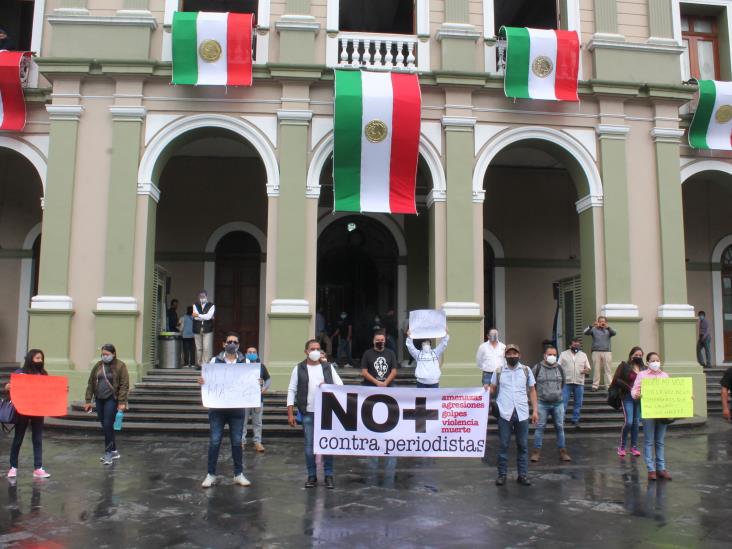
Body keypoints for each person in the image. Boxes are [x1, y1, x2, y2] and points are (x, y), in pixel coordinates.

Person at [287, 339, 343, 488]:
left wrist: (328, 386)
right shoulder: (299, 368)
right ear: (306, 351)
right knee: (309, 446)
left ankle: (329, 475)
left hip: (326, 412)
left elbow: (340, 385)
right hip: (308, 412)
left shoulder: (327, 367)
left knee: (328, 445)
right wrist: (290, 413)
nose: (315, 351)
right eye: (312, 349)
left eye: (318, 349)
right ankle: (312, 475)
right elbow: (292, 390)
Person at [198, 333, 251, 488]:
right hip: (217, 409)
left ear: (239, 345)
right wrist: (201, 381)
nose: (232, 344)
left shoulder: (245, 361)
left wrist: (257, 382)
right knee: (214, 441)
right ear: (223, 344)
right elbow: (205, 379)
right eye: (229, 341)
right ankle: (210, 474)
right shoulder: (215, 361)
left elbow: (250, 381)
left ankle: (238, 474)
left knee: (237, 442)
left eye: (235, 341)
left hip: (237, 409)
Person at [487, 344, 538, 487]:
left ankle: (522, 475)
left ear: (519, 355)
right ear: (505, 356)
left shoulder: (526, 370)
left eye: (514, 353)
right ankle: (502, 475)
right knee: (503, 445)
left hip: (522, 413)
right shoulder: (498, 371)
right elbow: (492, 389)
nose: (512, 356)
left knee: (523, 445)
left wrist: (535, 410)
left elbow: (532, 390)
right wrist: (486, 389)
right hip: (504, 413)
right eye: (509, 354)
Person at [5, 350, 51, 479]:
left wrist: (60, 390)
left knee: (37, 439)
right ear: (31, 359)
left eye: (41, 358)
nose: (40, 361)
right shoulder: (20, 373)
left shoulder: (43, 374)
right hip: (22, 410)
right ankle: (13, 467)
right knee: (18, 439)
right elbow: (12, 389)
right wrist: (8, 387)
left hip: (38, 410)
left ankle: (38, 468)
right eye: (37, 358)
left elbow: (49, 391)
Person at [84, 344, 129, 466]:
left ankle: (108, 453)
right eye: (103, 354)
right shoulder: (98, 365)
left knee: (108, 424)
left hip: (112, 398)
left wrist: (121, 402)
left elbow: (124, 385)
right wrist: (88, 400)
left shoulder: (120, 366)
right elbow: (91, 383)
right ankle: (114, 450)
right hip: (99, 398)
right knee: (105, 425)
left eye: (107, 354)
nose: (104, 356)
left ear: (113, 354)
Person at [631, 352, 672, 481]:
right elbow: (634, 389)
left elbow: (673, 392)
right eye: (653, 360)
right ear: (647, 362)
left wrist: (686, 397)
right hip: (648, 412)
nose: (655, 362)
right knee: (649, 441)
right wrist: (636, 395)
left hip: (662, 412)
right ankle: (651, 469)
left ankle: (661, 468)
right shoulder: (642, 375)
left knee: (660, 441)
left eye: (657, 360)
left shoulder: (665, 376)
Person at [530, 346, 571, 463]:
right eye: (550, 354)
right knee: (540, 428)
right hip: (542, 403)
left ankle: (563, 452)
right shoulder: (537, 368)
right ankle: (536, 452)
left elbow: (563, 383)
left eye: (554, 354)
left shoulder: (560, 368)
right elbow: (532, 385)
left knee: (560, 427)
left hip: (558, 403)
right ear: (544, 355)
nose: (552, 356)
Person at [612, 347, 645, 458]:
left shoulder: (644, 368)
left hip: (639, 398)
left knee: (636, 423)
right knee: (629, 422)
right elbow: (617, 379)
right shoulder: (624, 366)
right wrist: (630, 389)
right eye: (636, 355)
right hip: (627, 397)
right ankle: (621, 447)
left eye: (640, 355)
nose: (638, 357)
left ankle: (633, 448)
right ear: (631, 355)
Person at [242, 346, 271, 453]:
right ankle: (241, 441)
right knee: (242, 422)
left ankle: (257, 442)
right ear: (246, 353)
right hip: (243, 399)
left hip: (258, 399)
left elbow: (268, 379)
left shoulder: (261, 367)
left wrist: (264, 388)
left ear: (257, 354)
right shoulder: (241, 366)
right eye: (249, 352)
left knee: (257, 422)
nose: (252, 353)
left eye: (254, 352)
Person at [559, 338, 590, 428]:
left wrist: (585, 370)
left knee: (578, 403)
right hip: (567, 382)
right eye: (574, 345)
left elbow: (588, 368)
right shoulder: (563, 354)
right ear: (570, 346)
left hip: (579, 382)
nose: (576, 347)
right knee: (563, 402)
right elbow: (558, 366)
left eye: (578, 345)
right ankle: (561, 420)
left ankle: (575, 420)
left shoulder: (583, 355)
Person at [584, 316, 616, 391]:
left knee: (608, 369)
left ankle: (609, 386)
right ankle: (595, 386)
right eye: (600, 321)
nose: (602, 323)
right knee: (596, 369)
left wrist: (608, 327)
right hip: (596, 351)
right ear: (598, 322)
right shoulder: (594, 329)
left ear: (606, 322)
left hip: (607, 352)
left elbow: (614, 333)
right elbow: (585, 332)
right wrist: (592, 325)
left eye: (603, 321)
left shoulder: (608, 330)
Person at [192, 290, 215, 368]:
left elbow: (208, 317)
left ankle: (204, 364)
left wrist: (199, 315)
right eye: (200, 296)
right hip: (197, 328)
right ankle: (199, 364)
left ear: (206, 296)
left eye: (203, 296)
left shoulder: (211, 305)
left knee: (206, 347)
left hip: (207, 329)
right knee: (198, 348)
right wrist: (204, 316)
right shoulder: (195, 305)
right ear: (199, 297)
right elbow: (195, 318)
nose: (202, 298)